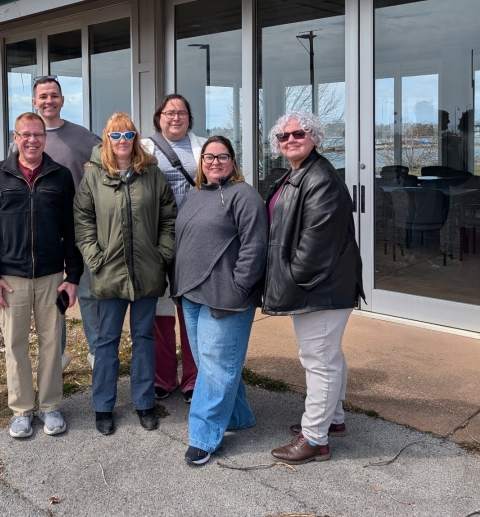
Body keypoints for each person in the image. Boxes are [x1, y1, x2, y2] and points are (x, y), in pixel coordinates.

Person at [263, 111, 364, 464]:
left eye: (299, 133)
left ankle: (315, 439)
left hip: (320, 288)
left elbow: (315, 246)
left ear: (315, 137)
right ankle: (332, 420)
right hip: (319, 286)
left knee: (318, 360)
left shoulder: (319, 177)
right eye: (283, 136)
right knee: (328, 355)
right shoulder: (297, 174)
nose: (290, 139)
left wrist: (290, 280)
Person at [0, 112, 82, 439]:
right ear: (15, 136)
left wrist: (72, 275)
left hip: (52, 278)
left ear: (44, 138)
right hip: (11, 278)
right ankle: (21, 410)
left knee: (52, 343)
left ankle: (49, 407)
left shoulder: (60, 176)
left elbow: (71, 230)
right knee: (15, 344)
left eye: (38, 134)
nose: (32, 140)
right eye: (26, 134)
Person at [74, 112, 176, 435]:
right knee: (106, 341)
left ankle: (144, 402)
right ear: (106, 140)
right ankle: (103, 406)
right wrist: (96, 259)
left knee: (144, 338)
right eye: (115, 136)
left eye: (128, 136)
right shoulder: (93, 177)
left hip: (147, 273)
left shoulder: (152, 174)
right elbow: (83, 221)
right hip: (109, 273)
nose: (122, 142)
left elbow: (169, 218)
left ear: (136, 139)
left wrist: (162, 255)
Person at [173, 136, 268, 466]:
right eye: (208, 157)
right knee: (212, 364)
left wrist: (239, 287)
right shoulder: (195, 194)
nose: (215, 162)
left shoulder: (244, 195)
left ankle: (202, 436)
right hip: (192, 293)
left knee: (215, 368)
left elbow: (255, 247)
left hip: (226, 298)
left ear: (233, 161)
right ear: (201, 163)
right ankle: (238, 416)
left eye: (222, 156)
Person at [30, 75, 101, 369]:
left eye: (54, 95)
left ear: (62, 100)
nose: (49, 101)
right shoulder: (27, 138)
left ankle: (99, 355)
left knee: (88, 294)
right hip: (42, 235)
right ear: (35, 102)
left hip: (81, 232)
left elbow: (105, 173)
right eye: (43, 96)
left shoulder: (84, 137)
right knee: (50, 300)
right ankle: (55, 358)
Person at [141, 94, 203, 404]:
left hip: (195, 241)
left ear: (189, 118)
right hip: (155, 241)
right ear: (158, 118)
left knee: (190, 307)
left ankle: (192, 377)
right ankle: (163, 377)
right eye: (168, 112)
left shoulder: (205, 148)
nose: (175, 117)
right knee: (159, 309)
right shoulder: (143, 149)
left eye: (181, 112)